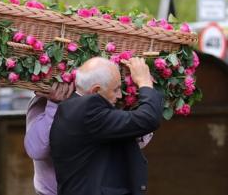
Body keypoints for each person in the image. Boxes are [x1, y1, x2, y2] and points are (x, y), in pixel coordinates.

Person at [49, 57, 164, 195]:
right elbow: (148, 118)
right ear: (96, 91)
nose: (120, 95)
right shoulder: (88, 111)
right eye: (115, 90)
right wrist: (145, 81)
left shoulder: (72, 108)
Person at [25, 82, 154, 195]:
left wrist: (135, 100)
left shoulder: (109, 97)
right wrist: (54, 104)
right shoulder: (42, 101)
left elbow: (136, 142)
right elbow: (37, 150)